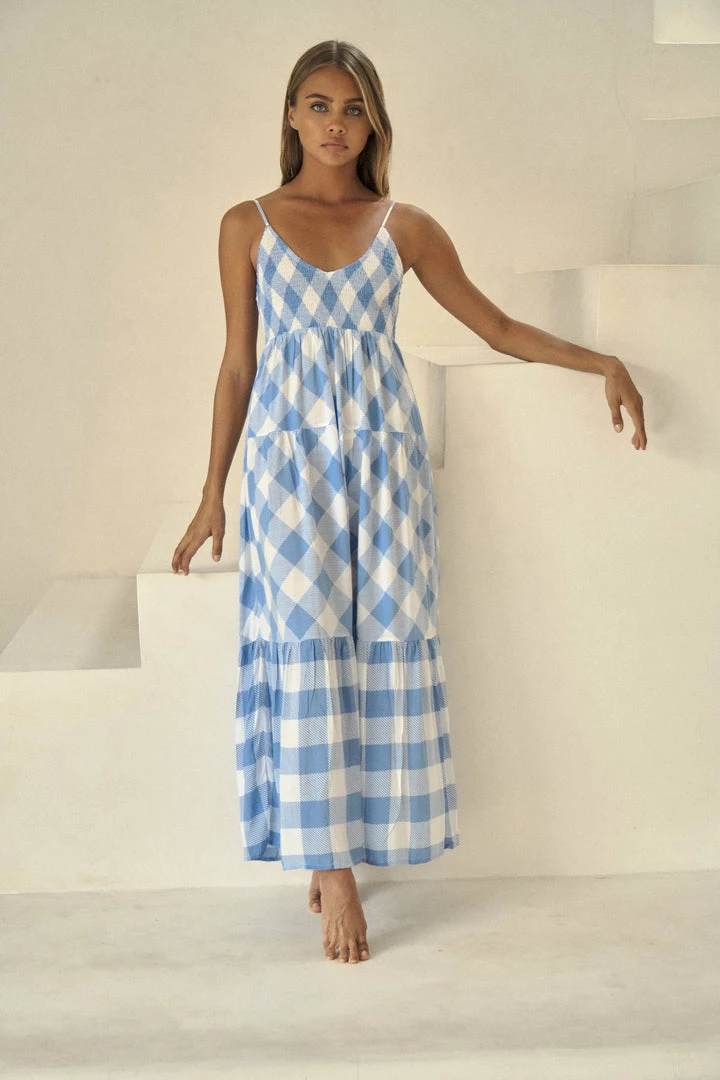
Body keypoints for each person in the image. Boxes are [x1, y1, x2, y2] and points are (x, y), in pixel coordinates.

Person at [171, 39, 647, 966]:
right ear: (291, 116)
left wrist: (602, 361)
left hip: (386, 465)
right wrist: (209, 493)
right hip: (287, 465)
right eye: (318, 105)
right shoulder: (246, 225)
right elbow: (237, 365)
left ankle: (338, 843)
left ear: (375, 122)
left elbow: (495, 325)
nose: (335, 124)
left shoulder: (406, 227)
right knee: (307, 642)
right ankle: (334, 866)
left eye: (353, 108)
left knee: (382, 635)